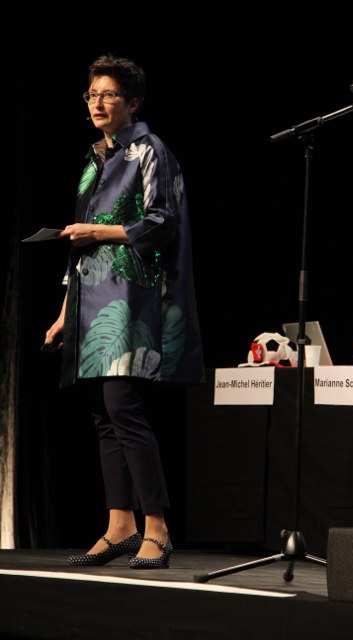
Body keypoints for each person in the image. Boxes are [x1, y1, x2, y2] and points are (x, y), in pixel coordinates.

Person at [44, 53, 204, 569]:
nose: (98, 102)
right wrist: (65, 313)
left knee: (125, 410)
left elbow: (162, 220)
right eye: (92, 94)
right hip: (90, 300)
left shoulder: (150, 150)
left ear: (133, 102)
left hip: (131, 298)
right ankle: (120, 525)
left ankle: (157, 527)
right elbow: (79, 246)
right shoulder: (95, 158)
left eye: (109, 94)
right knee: (104, 416)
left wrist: (100, 231)